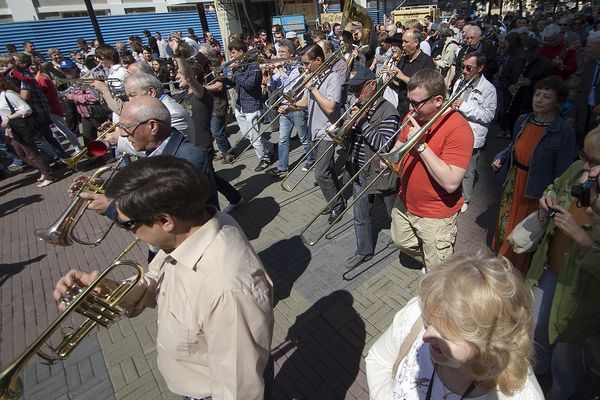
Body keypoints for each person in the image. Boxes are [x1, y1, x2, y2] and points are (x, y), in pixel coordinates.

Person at [54, 155, 274, 400]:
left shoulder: (227, 292)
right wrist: (109, 290)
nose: (132, 234)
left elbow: (239, 391)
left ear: (164, 220)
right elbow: (155, 279)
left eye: (127, 225)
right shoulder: (196, 227)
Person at [365, 250, 543, 399]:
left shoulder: (518, 395)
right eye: (428, 324)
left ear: (491, 345)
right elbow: (379, 360)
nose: (426, 337)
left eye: (447, 334)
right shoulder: (415, 315)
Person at [527, 128, 600, 399]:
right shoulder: (576, 170)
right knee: (536, 331)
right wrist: (548, 197)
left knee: (568, 358)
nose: (586, 167)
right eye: (585, 157)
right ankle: (533, 381)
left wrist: (582, 239)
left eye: (594, 163)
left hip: (582, 293)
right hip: (551, 270)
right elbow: (555, 185)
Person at [390, 70, 473, 272]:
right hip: (406, 201)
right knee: (401, 241)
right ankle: (433, 260)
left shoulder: (458, 128)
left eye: (416, 103)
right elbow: (396, 150)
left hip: (435, 214)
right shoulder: (413, 115)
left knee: (440, 273)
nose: (410, 108)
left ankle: (443, 270)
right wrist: (388, 161)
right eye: (409, 101)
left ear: (438, 100)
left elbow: (451, 182)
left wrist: (420, 145)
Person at [492, 76, 577, 274]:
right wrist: (501, 156)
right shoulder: (523, 120)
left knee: (524, 234)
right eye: (537, 94)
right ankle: (500, 264)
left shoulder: (564, 131)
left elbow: (563, 170)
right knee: (506, 225)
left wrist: (552, 196)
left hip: (537, 188)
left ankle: (513, 272)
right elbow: (513, 146)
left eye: (546, 97)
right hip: (515, 180)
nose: (538, 99)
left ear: (558, 102)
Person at [341, 67, 400, 269]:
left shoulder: (389, 111)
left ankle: (402, 239)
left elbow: (384, 143)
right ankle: (363, 252)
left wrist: (363, 123)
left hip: (381, 173)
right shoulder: (359, 106)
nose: (355, 95)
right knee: (360, 215)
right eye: (353, 91)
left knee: (394, 213)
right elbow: (349, 138)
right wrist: (347, 130)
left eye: (359, 90)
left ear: (372, 85)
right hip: (360, 170)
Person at [279, 44, 344, 224]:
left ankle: (336, 206)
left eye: (307, 63)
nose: (305, 67)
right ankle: (335, 201)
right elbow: (306, 102)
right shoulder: (313, 78)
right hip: (313, 130)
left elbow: (331, 107)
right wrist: (290, 107)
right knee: (328, 170)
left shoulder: (333, 78)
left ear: (318, 60)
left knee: (320, 173)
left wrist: (312, 87)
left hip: (327, 132)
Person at [451, 53, 497, 213]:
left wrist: (464, 106)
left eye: (468, 68)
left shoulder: (489, 89)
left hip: (472, 136)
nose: (464, 71)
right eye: (463, 67)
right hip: (454, 131)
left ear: (480, 68)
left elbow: (488, 115)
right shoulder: (460, 82)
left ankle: (466, 198)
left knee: (468, 170)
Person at [222, 39, 274, 172]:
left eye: (233, 53)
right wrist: (225, 78)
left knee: (254, 137)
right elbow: (235, 82)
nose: (232, 56)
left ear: (241, 52)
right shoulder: (239, 65)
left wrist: (235, 72)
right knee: (248, 135)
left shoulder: (254, 65)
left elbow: (249, 85)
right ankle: (269, 147)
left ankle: (265, 158)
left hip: (252, 104)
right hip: (240, 104)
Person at [268, 39, 314, 176]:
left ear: (291, 53)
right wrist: (270, 74)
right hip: (283, 107)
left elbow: (292, 88)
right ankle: (282, 167)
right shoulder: (281, 69)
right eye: (279, 52)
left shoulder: (299, 68)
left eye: (283, 52)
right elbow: (273, 87)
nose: (280, 54)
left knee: (304, 138)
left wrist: (281, 71)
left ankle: (311, 160)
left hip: (297, 108)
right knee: (282, 139)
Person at [0, 74, 54, 187]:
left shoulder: (8, 94)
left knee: (31, 153)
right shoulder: (1, 96)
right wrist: (7, 129)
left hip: (20, 127)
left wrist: (9, 118)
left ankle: (49, 174)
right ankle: (43, 169)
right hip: (13, 129)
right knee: (20, 153)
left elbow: (26, 109)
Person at [499, 37, 553, 139]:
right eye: (525, 54)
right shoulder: (515, 60)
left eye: (530, 54)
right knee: (513, 130)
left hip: (530, 105)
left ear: (537, 50)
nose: (527, 57)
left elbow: (549, 86)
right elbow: (503, 77)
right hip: (513, 103)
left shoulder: (546, 65)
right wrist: (509, 86)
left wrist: (531, 83)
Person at [383, 29, 435, 116]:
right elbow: (398, 84)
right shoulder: (404, 59)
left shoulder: (427, 60)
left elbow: (425, 86)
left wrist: (402, 76)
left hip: (416, 110)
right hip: (401, 107)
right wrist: (390, 80)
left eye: (406, 42)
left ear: (416, 42)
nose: (402, 45)